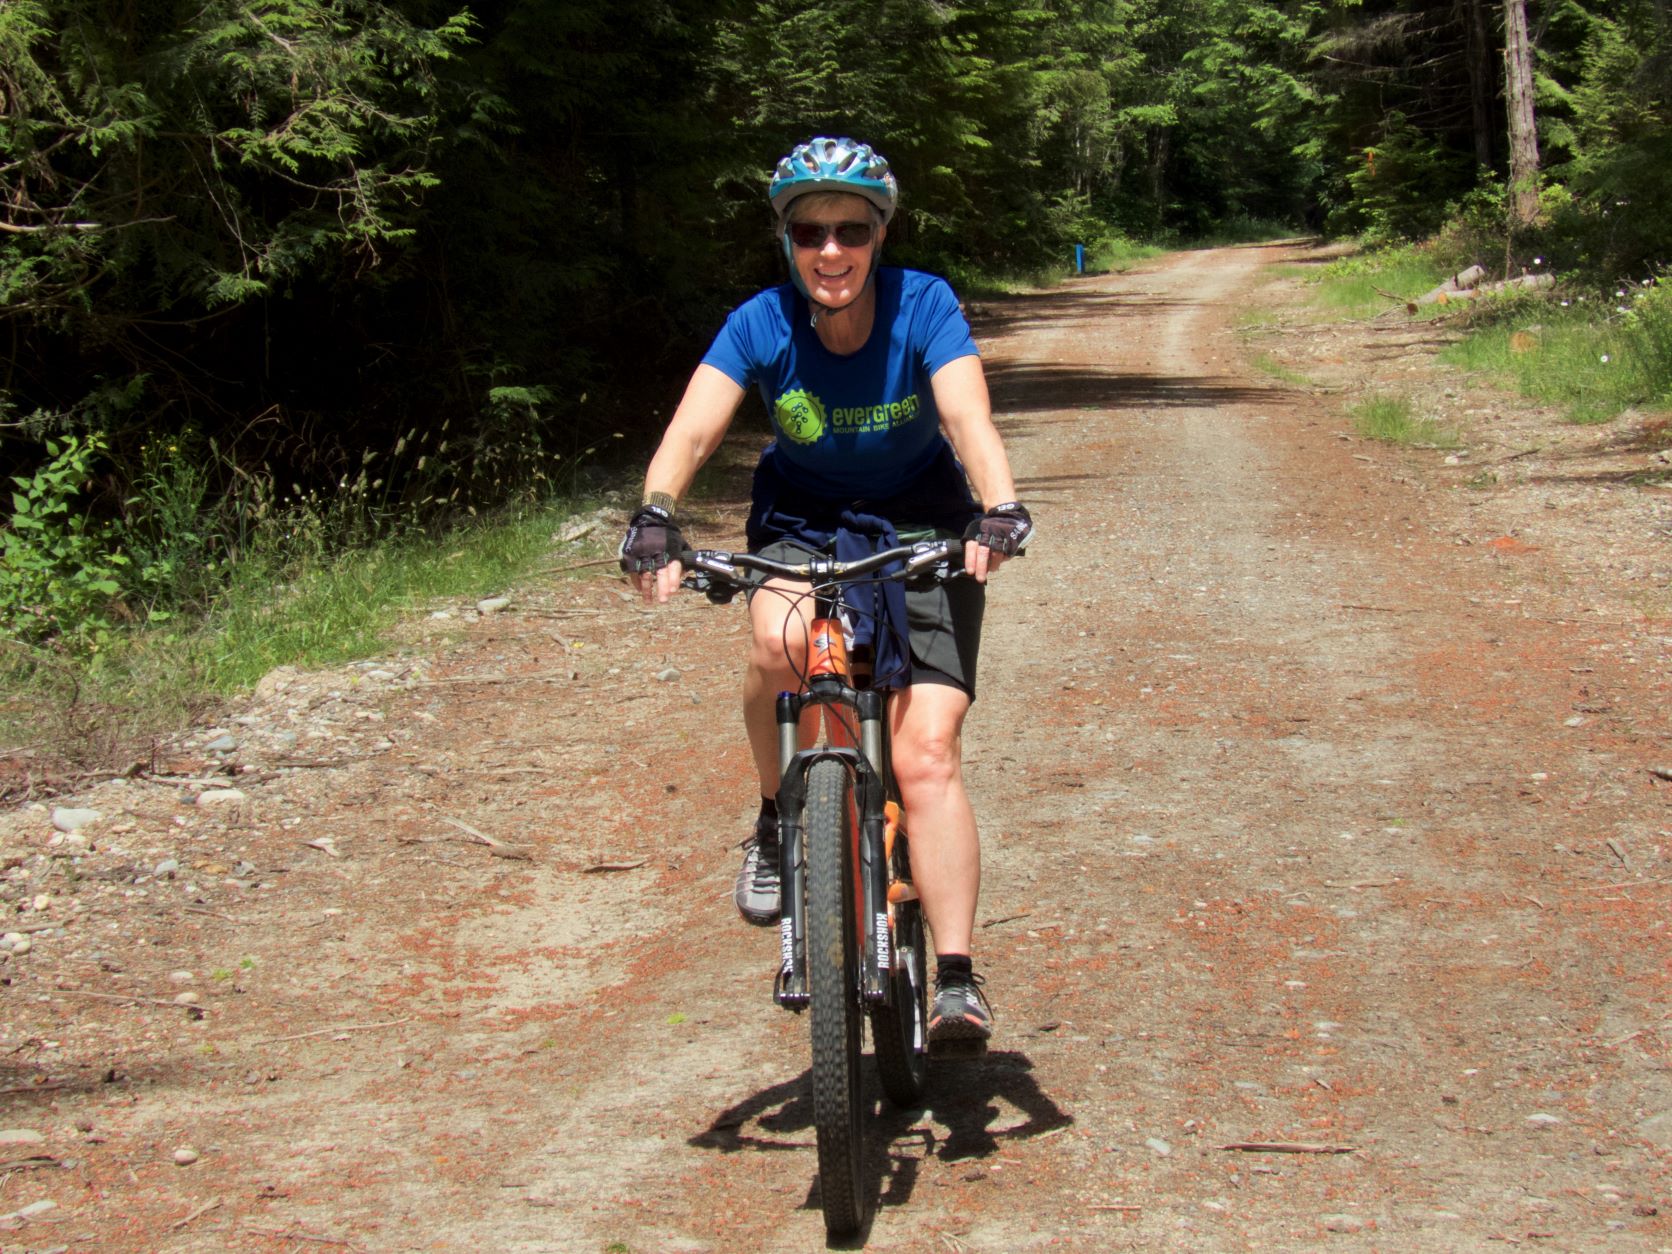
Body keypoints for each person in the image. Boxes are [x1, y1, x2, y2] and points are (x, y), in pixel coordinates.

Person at [619, 136, 1031, 1046]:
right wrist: (656, 514)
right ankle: (778, 820)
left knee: (927, 754)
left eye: (851, 230)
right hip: (802, 527)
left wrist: (999, 508)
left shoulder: (924, 304)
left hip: (924, 529)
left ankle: (956, 978)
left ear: (879, 236)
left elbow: (968, 415)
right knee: (777, 647)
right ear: (788, 241)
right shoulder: (760, 323)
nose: (831, 251)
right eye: (811, 232)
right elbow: (692, 430)